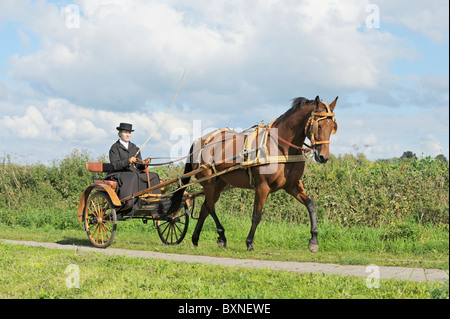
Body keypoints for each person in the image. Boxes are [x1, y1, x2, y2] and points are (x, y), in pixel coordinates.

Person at [107, 122, 161, 211]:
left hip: (134, 173)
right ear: (119, 133)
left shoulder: (134, 147)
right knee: (134, 177)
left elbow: (139, 166)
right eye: (125, 132)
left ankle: (154, 202)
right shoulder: (114, 148)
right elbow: (115, 165)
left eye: (129, 133)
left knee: (154, 176)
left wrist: (144, 163)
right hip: (119, 173)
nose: (128, 135)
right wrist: (128, 161)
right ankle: (128, 204)